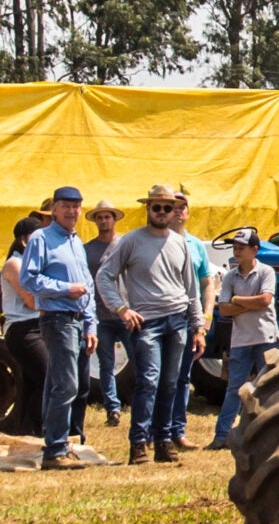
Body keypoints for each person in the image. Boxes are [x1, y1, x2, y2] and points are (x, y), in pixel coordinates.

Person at [96, 189, 201, 464]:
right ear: (148, 208)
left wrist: (198, 326)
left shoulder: (180, 243)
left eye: (168, 208)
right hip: (147, 322)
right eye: (158, 207)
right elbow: (104, 276)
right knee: (148, 381)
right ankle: (139, 443)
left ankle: (163, 441)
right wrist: (121, 309)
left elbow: (191, 289)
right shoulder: (131, 240)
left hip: (178, 319)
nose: (163, 213)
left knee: (170, 383)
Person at [20, 189, 99, 471]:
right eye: (66, 206)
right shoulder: (42, 238)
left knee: (62, 384)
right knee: (66, 384)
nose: (72, 211)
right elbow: (28, 279)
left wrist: (91, 324)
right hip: (57, 317)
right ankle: (54, 449)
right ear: (54, 209)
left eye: (76, 206)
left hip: (77, 319)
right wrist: (65, 289)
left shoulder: (76, 241)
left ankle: (57, 443)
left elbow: (87, 285)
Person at [209, 228, 276, 451]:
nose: (236, 250)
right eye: (235, 246)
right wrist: (248, 303)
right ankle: (222, 436)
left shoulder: (267, 272)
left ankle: (268, 436)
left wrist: (237, 300)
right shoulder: (229, 276)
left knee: (269, 388)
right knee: (234, 389)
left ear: (254, 250)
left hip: (266, 336)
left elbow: (265, 300)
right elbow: (224, 310)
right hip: (240, 340)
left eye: (241, 247)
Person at [166, 189, 214, 451]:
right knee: (159, 376)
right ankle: (156, 429)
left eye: (183, 206)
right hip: (162, 315)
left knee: (183, 376)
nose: (178, 210)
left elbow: (206, 282)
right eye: (172, 206)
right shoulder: (157, 240)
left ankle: (177, 431)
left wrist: (205, 319)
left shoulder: (195, 245)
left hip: (189, 317)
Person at [0, 215, 46, 438]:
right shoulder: (15, 264)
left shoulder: (33, 265)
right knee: (49, 376)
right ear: (24, 239)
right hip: (22, 329)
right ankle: (36, 429)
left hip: (38, 326)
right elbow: (31, 300)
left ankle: (27, 432)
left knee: (31, 382)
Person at [83, 202, 124, 428]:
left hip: (126, 314)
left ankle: (143, 406)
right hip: (101, 317)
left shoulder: (125, 245)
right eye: (100, 217)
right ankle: (113, 409)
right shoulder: (87, 250)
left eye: (107, 216)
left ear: (114, 219)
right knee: (106, 365)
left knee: (141, 361)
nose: (104, 221)